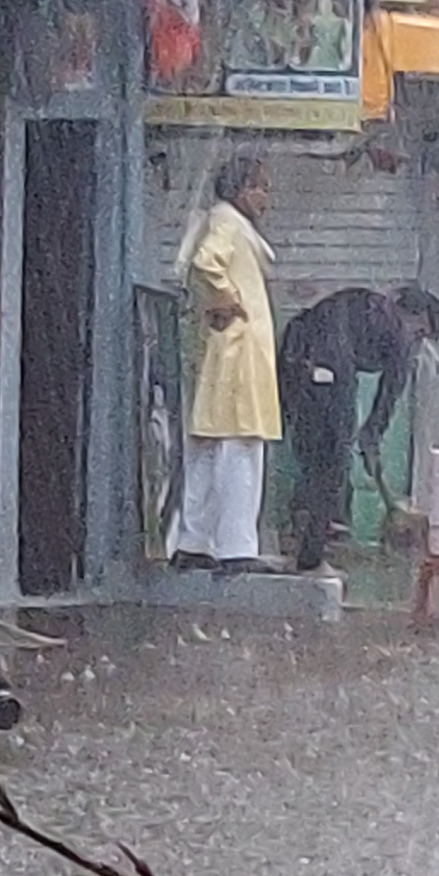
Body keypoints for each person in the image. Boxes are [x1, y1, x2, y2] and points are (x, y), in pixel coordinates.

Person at [274, 282, 439, 572]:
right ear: (411, 315)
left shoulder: (361, 302)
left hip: (294, 363)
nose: (416, 341)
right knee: (332, 464)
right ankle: (311, 556)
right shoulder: (395, 328)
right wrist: (372, 436)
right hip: (326, 370)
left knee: (313, 461)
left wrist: (368, 435)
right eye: (420, 332)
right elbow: (391, 390)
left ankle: (300, 535)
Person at [171, 157, 282, 572]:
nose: (266, 199)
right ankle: (237, 548)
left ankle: (195, 543)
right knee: (241, 448)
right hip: (239, 352)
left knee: (208, 447)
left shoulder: (220, 220)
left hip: (223, 351)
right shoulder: (228, 223)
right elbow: (206, 262)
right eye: (261, 188)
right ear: (240, 189)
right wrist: (226, 299)